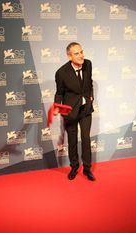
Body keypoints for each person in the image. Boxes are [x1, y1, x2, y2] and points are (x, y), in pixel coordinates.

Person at [54, 42, 95, 181]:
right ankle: (74, 167)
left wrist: (91, 97)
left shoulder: (88, 64)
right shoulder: (61, 73)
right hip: (70, 111)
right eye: (76, 53)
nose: (81, 55)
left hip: (85, 109)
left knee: (85, 138)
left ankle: (87, 169)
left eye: (81, 52)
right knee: (72, 141)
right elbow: (59, 93)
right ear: (69, 56)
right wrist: (57, 107)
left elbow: (89, 82)